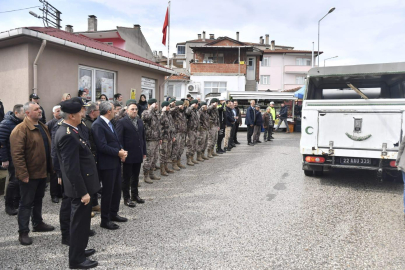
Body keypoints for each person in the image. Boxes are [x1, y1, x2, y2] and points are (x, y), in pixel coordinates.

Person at [54, 99, 100, 269]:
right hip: (80, 188)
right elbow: (71, 168)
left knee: (83, 223)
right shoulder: (67, 135)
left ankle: (80, 250)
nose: (84, 114)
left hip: (84, 183)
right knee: (79, 224)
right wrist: (83, 192)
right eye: (81, 111)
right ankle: (76, 260)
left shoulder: (72, 130)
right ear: (72, 115)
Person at [10, 102, 54, 245]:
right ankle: (23, 232)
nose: (39, 110)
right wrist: (23, 174)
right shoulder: (20, 129)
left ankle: (38, 223)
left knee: (38, 199)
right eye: (36, 109)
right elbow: (17, 155)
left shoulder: (42, 126)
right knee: (26, 203)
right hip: (29, 174)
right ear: (27, 113)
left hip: (42, 172)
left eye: (40, 108)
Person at [92, 101, 128, 230]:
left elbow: (115, 141)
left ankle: (113, 213)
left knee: (117, 190)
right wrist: (118, 153)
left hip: (115, 161)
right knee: (108, 192)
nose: (115, 111)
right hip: (106, 164)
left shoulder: (109, 123)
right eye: (113, 109)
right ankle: (105, 219)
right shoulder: (98, 125)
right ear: (108, 111)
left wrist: (121, 151)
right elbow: (101, 146)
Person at [116, 102, 146, 207]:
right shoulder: (122, 122)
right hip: (128, 154)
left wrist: (144, 152)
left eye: (136, 109)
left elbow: (143, 138)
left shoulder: (140, 122)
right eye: (132, 109)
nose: (134, 111)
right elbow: (119, 139)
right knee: (126, 177)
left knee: (136, 176)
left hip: (138, 153)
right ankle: (126, 198)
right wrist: (122, 153)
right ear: (127, 110)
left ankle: (135, 195)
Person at [0, 104, 24, 215]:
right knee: (13, 181)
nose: (26, 115)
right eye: (24, 113)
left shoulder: (21, 123)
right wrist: (4, 159)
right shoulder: (6, 124)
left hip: (20, 157)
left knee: (19, 181)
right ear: (16, 113)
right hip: (11, 157)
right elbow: (1, 143)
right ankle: (8, 205)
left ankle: (16, 203)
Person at [141, 99, 162, 182]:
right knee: (149, 158)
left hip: (156, 138)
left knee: (155, 157)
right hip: (150, 139)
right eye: (155, 104)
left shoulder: (155, 114)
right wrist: (151, 108)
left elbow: (157, 127)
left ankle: (152, 173)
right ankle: (145, 176)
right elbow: (146, 118)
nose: (157, 106)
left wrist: (160, 137)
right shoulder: (146, 112)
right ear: (150, 104)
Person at [46, 105, 63, 203]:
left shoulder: (64, 122)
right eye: (57, 111)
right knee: (54, 174)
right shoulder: (50, 124)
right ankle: (54, 195)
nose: (59, 112)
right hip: (53, 153)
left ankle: (61, 192)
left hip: (62, 152)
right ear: (53, 113)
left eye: (61, 111)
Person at [159, 101, 176, 176]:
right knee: (163, 153)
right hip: (164, 137)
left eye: (169, 106)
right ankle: (162, 170)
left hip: (169, 137)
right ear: (164, 107)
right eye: (167, 106)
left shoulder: (169, 115)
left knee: (168, 153)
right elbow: (159, 126)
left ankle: (166, 167)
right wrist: (160, 137)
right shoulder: (161, 114)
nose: (169, 107)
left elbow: (171, 126)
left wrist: (173, 136)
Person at [170, 100, 187, 169]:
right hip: (177, 133)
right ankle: (174, 163)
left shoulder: (182, 113)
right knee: (175, 148)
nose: (183, 106)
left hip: (183, 133)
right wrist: (177, 107)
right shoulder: (174, 113)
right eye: (182, 105)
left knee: (181, 148)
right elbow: (170, 111)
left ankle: (178, 162)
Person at [185, 99, 200, 166]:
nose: (197, 105)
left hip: (195, 130)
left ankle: (192, 158)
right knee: (190, 145)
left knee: (194, 145)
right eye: (197, 104)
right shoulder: (190, 110)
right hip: (190, 130)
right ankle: (188, 160)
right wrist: (191, 106)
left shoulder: (196, 111)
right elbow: (186, 112)